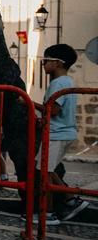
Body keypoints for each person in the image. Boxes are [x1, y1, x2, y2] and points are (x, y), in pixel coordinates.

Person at [35, 44, 87, 224]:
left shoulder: (58, 83)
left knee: (44, 173)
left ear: (57, 63)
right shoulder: (67, 81)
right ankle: (70, 198)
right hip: (62, 132)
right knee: (45, 170)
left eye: (46, 60)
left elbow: (54, 110)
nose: (43, 64)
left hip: (57, 134)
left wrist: (27, 103)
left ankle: (48, 213)